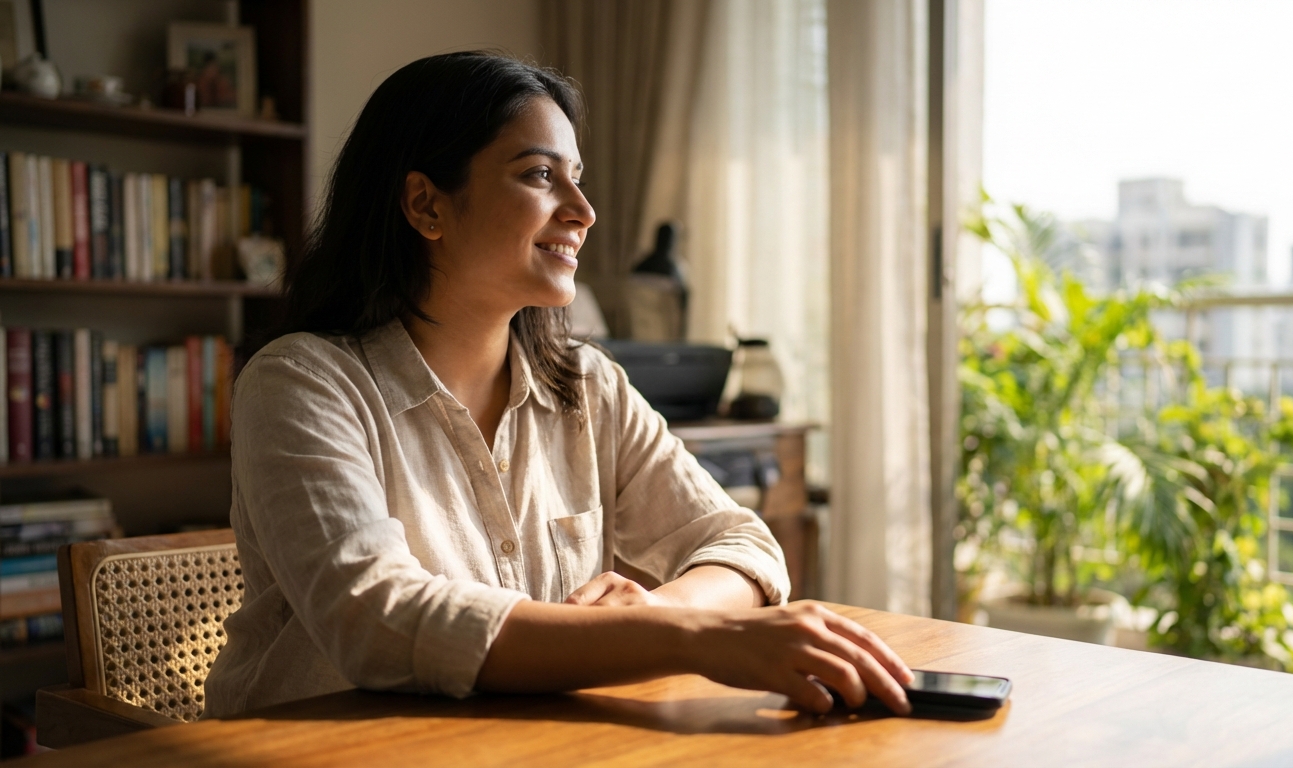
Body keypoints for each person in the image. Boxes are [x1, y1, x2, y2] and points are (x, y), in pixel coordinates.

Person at [203, 51, 913, 719]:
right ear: (425, 205)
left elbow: (743, 545)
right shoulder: (300, 384)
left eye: (576, 176)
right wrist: (694, 638)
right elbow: (377, 619)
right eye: (540, 175)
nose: (583, 209)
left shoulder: (587, 385)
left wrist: (661, 613)